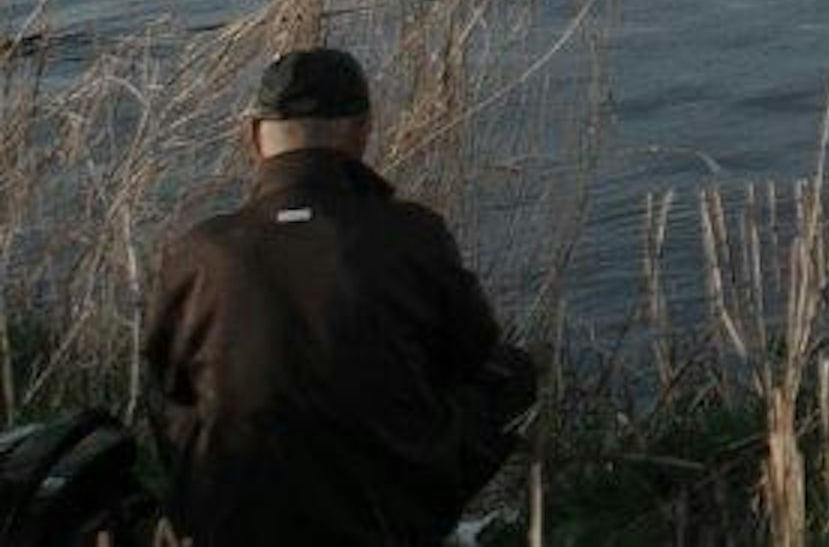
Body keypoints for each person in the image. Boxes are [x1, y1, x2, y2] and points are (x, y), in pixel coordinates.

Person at [137, 48, 536, 546]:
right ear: (362, 131)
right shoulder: (412, 235)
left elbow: (165, 387)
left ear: (254, 138)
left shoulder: (197, 252)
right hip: (387, 519)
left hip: (229, 519)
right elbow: (474, 354)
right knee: (513, 374)